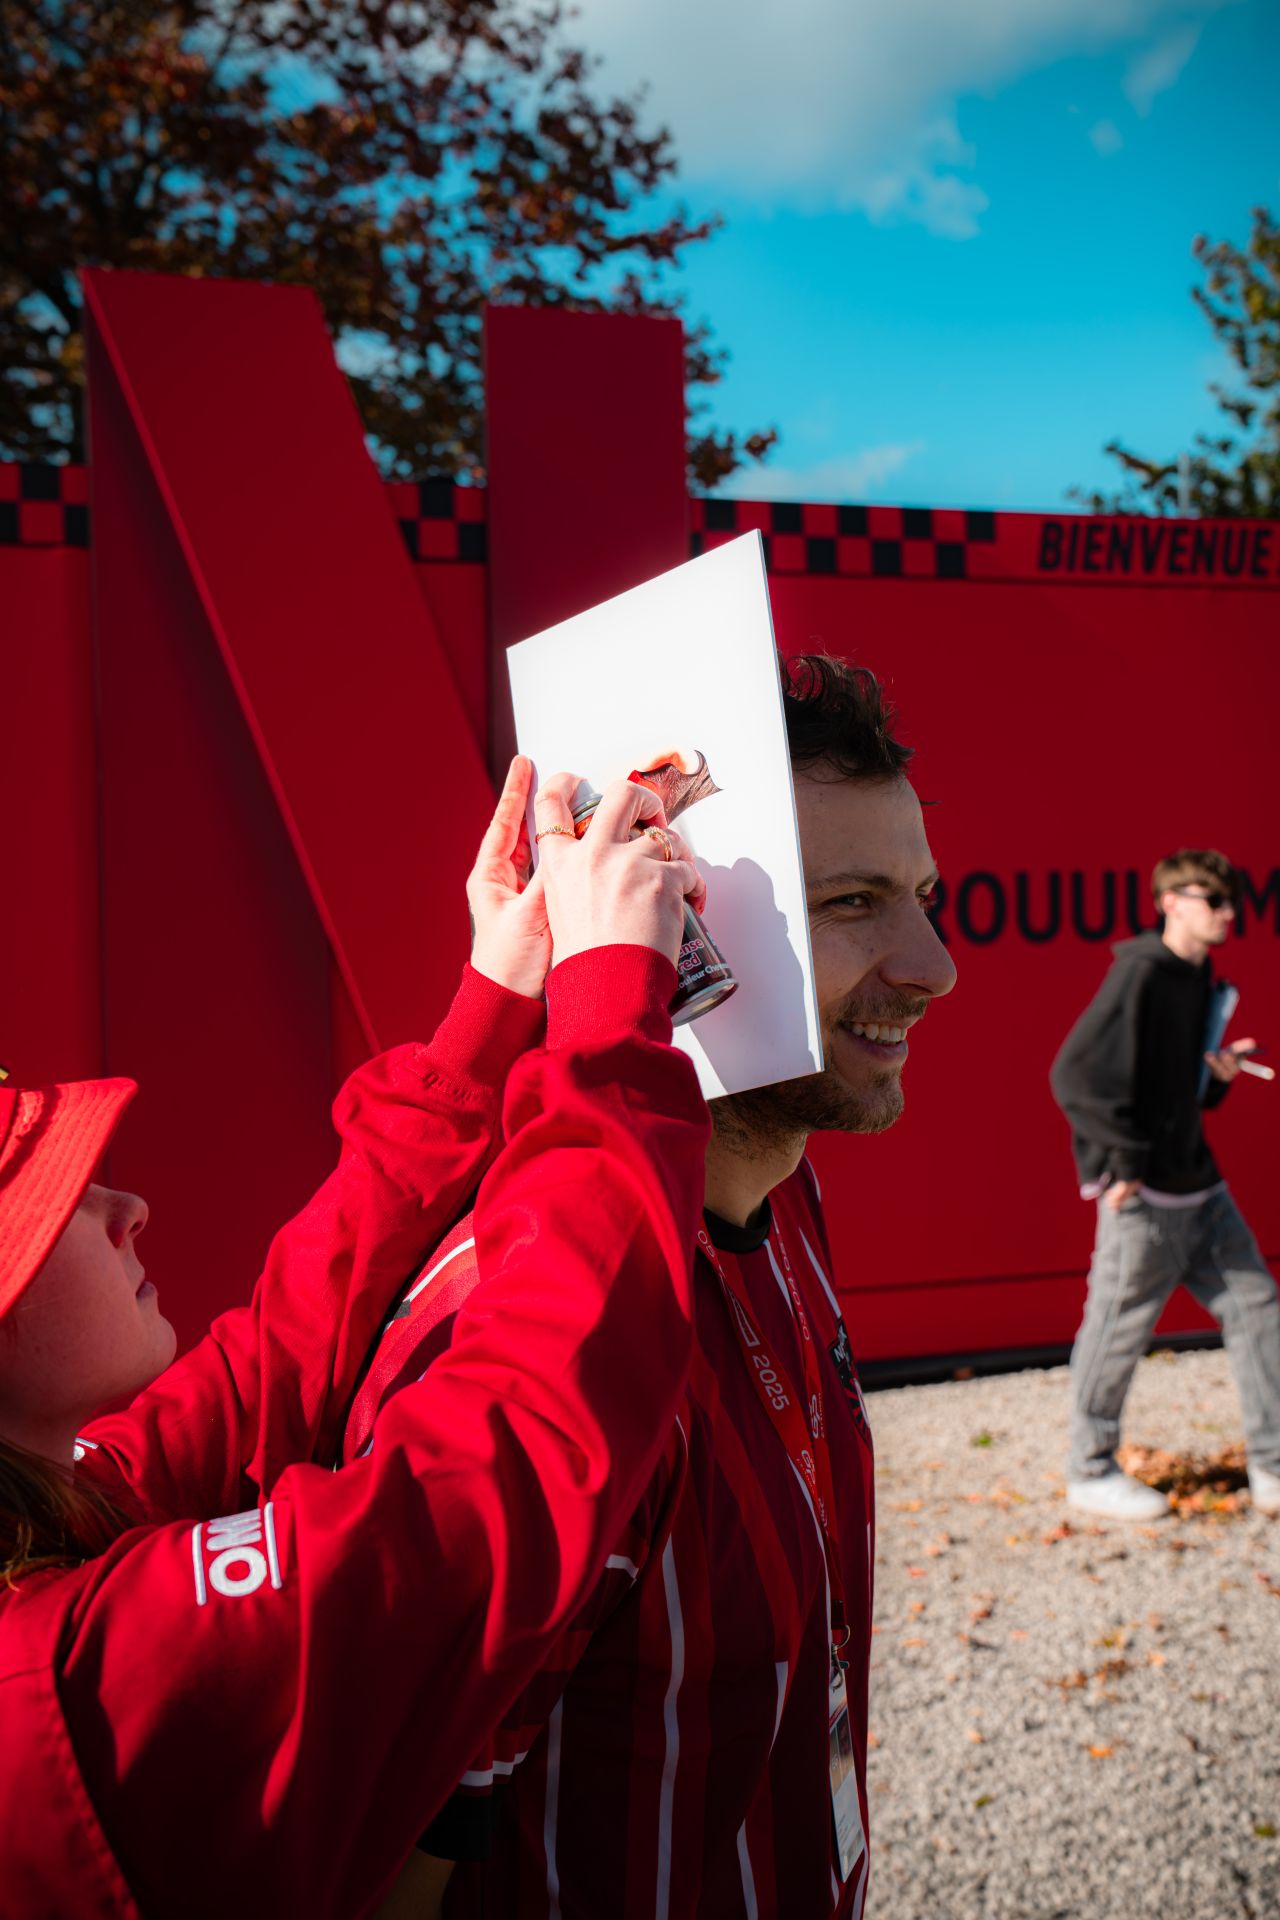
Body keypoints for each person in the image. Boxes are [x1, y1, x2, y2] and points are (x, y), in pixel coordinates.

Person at [0, 763, 713, 1917]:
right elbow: (498, 1468)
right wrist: (607, 1023)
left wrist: (495, 1002)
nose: (125, 1207)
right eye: (55, 1204)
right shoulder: (79, 1676)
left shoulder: (53, 1500)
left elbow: (275, 1351)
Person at [345, 655, 958, 1920]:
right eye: (851, 903)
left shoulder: (783, 1190)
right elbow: (392, 1876)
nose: (931, 964)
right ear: (662, 923)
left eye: (922, 897)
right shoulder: (520, 1333)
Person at [1050, 847, 1280, 1521]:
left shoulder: (1197, 974)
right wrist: (1123, 1164)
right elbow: (1073, 1075)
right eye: (1216, 900)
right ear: (1171, 901)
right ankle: (1089, 1471)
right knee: (1115, 1332)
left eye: (1233, 901)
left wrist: (1216, 1077)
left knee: (1258, 1310)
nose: (1229, 913)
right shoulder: (1141, 972)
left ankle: (1272, 1467)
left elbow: (1177, 1088)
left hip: (1201, 1188)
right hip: (1146, 1199)